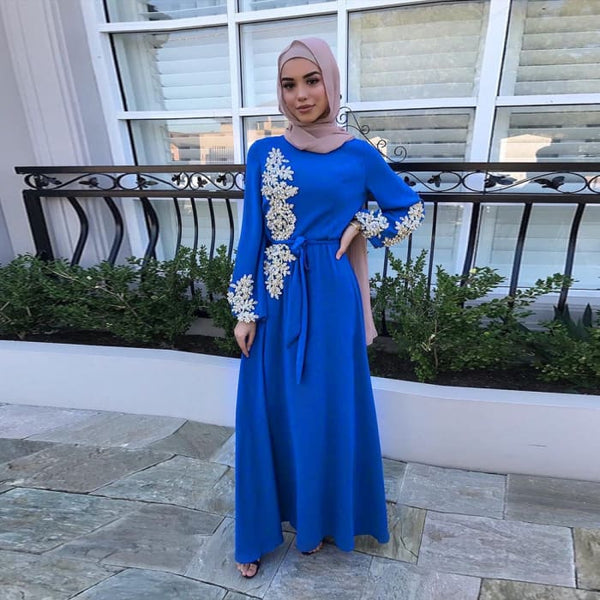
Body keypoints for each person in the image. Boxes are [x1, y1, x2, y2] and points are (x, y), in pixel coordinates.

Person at [228, 37, 424, 578]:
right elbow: (251, 234)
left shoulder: (359, 154)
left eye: (312, 81)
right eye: (289, 84)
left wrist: (363, 223)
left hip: (333, 296)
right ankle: (260, 529)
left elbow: (409, 207)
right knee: (268, 407)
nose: (301, 95)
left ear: (331, 83)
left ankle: (319, 521)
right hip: (277, 294)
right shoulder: (263, 153)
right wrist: (245, 308)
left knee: (326, 406)